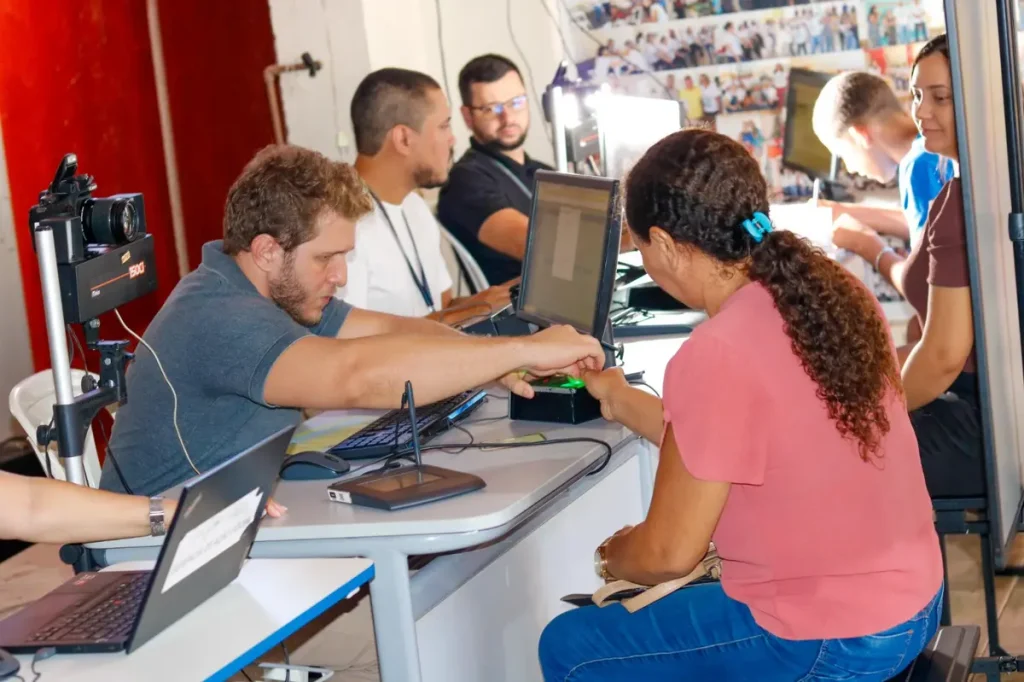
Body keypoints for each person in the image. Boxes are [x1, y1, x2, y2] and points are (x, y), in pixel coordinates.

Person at [537, 128, 943, 680]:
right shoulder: (838, 295)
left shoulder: (717, 352)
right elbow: (719, 443)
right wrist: (614, 394)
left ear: (667, 243)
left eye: (639, 245)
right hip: (914, 604)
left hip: (832, 638)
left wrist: (613, 557)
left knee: (572, 646)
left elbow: (668, 554)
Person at [99, 144, 605, 497]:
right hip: (154, 553)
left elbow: (387, 331)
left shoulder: (264, 286)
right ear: (268, 250)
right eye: (326, 259)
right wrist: (520, 350)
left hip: (226, 519)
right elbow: (357, 377)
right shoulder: (220, 316)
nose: (340, 276)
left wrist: (485, 363)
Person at [817, 35, 983, 498]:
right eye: (916, 95)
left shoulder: (962, 200)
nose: (921, 112)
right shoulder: (980, 186)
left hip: (985, 425)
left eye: (941, 98)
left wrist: (877, 411)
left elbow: (945, 355)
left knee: (832, 445)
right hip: (991, 407)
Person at [339, 67, 514, 323]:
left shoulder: (413, 205)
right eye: (443, 126)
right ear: (404, 139)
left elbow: (442, 308)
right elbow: (352, 346)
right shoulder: (342, 226)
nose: (452, 139)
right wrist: (478, 308)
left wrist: (500, 298)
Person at [436, 54, 553, 286]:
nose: (507, 118)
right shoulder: (465, 182)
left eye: (516, 103)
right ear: (468, 116)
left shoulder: (544, 171)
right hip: (525, 315)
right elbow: (541, 248)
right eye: (491, 108)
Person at [812, 69, 950, 264]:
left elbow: (928, 286)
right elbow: (931, 221)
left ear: (860, 135)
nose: (850, 169)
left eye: (844, 156)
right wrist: (844, 211)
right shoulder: (933, 144)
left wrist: (868, 246)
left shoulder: (917, 168)